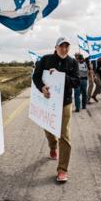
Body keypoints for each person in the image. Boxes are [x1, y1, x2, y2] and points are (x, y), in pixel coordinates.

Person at [32, 37, 80, 182]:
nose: (64, 49)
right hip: (48, 103)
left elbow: (77, 82)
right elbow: (36, 77)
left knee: (64, 135)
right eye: (61, 46)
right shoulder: (46, 60)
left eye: (67, 46)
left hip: (65, 103)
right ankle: (52, 146)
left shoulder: (73, 63)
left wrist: (62, 77)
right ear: (56, 47)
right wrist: (42, 87)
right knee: (49, 130)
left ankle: (62, 170)